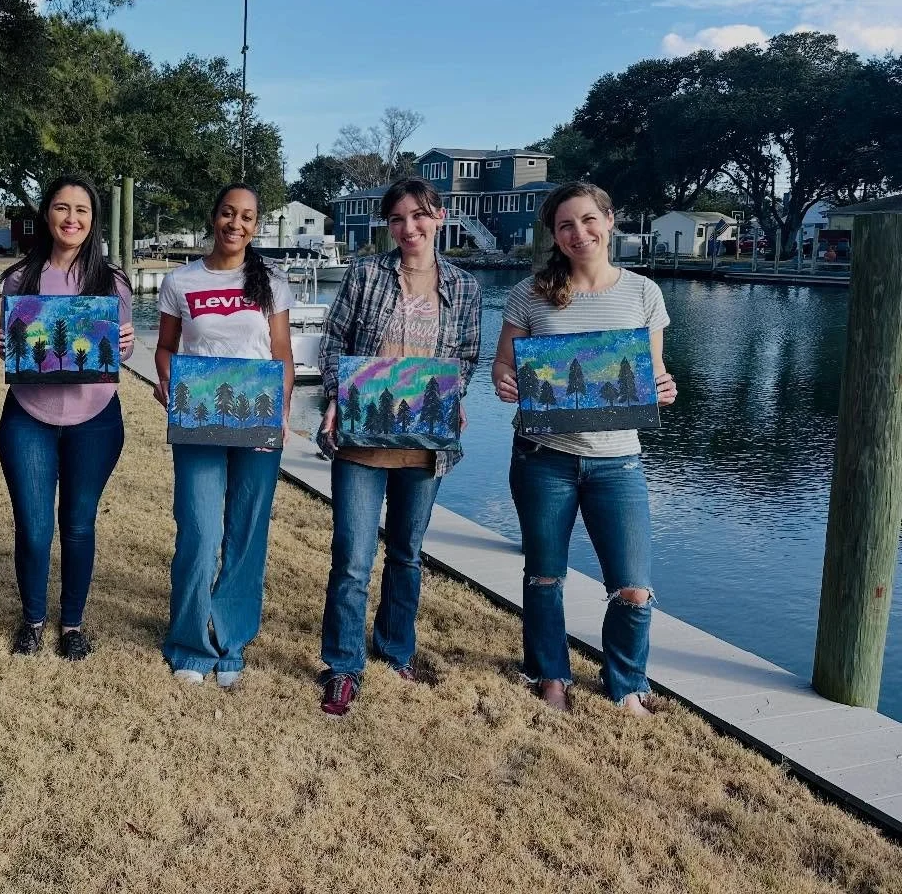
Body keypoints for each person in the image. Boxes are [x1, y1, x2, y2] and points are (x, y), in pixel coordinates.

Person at [491, 181, 678, 717]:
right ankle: (549, 673)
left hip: (618, 461)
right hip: (542, 457)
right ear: (554, 234)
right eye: (566, 225)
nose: (579, 233)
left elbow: (654, 372)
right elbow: (503, 364)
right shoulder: (530, 292)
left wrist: (664, 388)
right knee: (545, 575)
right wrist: (504, 380)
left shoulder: (643, 293)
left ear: (609, 220)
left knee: (634, 587)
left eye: (588, 220)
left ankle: (626, 683)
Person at [313, 178, 481, 717]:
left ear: (440, 217)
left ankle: (395, 649)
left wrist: (454, 395)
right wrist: (336, 397)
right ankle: (343, 665)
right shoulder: (365, 274)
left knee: (406, 554)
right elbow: (334, 341)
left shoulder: (465, 287)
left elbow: (467, 356)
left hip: (424, 445)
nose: (409, 228)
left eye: (419, 216)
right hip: (361, 441)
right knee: (352, 558)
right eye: (397, 219)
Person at [0, 176, 135, 660]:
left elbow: (115, 352)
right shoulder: (19, 278)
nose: (71, 218)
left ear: (93, 220)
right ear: (47, 214)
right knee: (33, 528)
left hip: (96, 419)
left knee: (78, 525)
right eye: (61, 208)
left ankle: (72, 624)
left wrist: (126, 345)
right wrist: (3, 346)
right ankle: (32, 619)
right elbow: (17, 347)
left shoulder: (112, 282)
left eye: (81, 210)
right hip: (28, 417)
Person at [153, 183, 294, 688]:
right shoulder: (180, 280)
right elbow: (165, 347)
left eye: (247, 217)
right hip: (200, 420)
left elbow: (281, 352)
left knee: (246, 533)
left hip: (256, 420)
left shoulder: (272, 281)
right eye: (229, 213)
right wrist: (168, 383)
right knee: (199, 531)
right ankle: (190, 642)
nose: (237, 224)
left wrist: (282, 407)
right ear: (213, 217)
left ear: (256, 225)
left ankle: (231, 640)